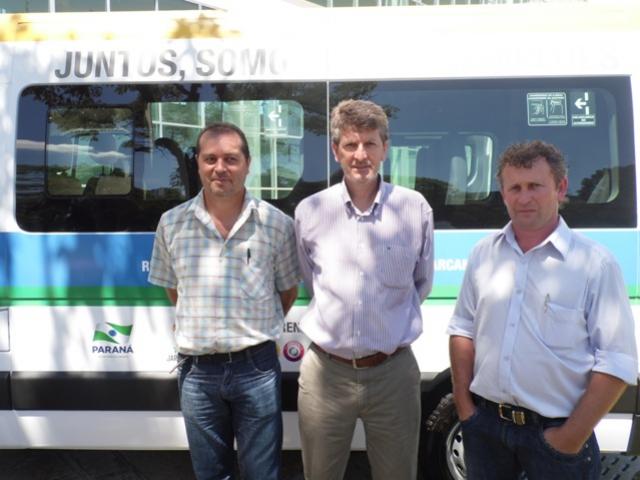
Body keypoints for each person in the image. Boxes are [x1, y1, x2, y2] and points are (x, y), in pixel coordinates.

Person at [448, 140, 638, 479]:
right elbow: (462, 328)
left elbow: (617, 362)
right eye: (515, 188)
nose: (524, 198)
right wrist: (465, 409)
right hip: (486, 430)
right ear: (503, 194)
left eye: (535, 186)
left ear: (560, 188)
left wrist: (569, 438)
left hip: (557, 435)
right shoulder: (483, 254)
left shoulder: (595, 265)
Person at [148, 122, 299, 480]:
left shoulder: (276, 224)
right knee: (210, 473)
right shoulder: (171, 224)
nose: (220, 168)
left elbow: (287, 291)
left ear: (248, 164)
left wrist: (251, 324)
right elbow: (174, 289)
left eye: (231, 159)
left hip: (256, 368)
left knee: (262, 473)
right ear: (198, 163)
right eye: (210, 158)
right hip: (197, 372)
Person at [294, 99, 434, 480]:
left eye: (370, 143)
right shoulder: (310, 211)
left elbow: (421, 283)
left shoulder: (414, 209)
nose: (360, 155)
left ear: (385, 148)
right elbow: (310, 279)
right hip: (326, 373)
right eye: (350, 144)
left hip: (393, 373)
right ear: (335, 150)